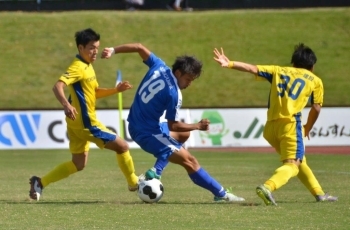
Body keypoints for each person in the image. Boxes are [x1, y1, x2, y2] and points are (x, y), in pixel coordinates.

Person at [101, 43, 245, 202]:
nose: (189, 83)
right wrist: (198, 126)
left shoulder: (159, 65)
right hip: (147, 134)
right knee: (190, 161)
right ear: (178, 72)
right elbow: (173, 125)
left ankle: (156, 171)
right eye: (188, 79)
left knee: (184, 133)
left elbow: (139, 47)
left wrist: (113, 50)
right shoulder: (173, 93)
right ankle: (222, 194)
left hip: (138, 125)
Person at [213, 44, 338, 205]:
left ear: (293, 63)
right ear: (312, 66)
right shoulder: (315, 81)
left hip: (271, 128)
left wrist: (229, 63)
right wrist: (307, 127)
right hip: (290, 126)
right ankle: (268, 187)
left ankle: (319, 193)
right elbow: (316, 107)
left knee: (300, 161)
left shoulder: (278, 71)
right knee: (293, 165)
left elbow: (252, 68)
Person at [29, 28, 139, 201]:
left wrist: (116, 90)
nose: (95, 51)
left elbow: (93, 92)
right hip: (87, 124)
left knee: (78, 164)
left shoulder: (88, 66)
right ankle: (135, 183)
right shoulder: (78, 66)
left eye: (97, 47)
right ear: (80, 48)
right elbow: (57, 86)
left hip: (75, 124)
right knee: (123, 147)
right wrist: (66, 104)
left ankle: (40, 182)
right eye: (91, 48)